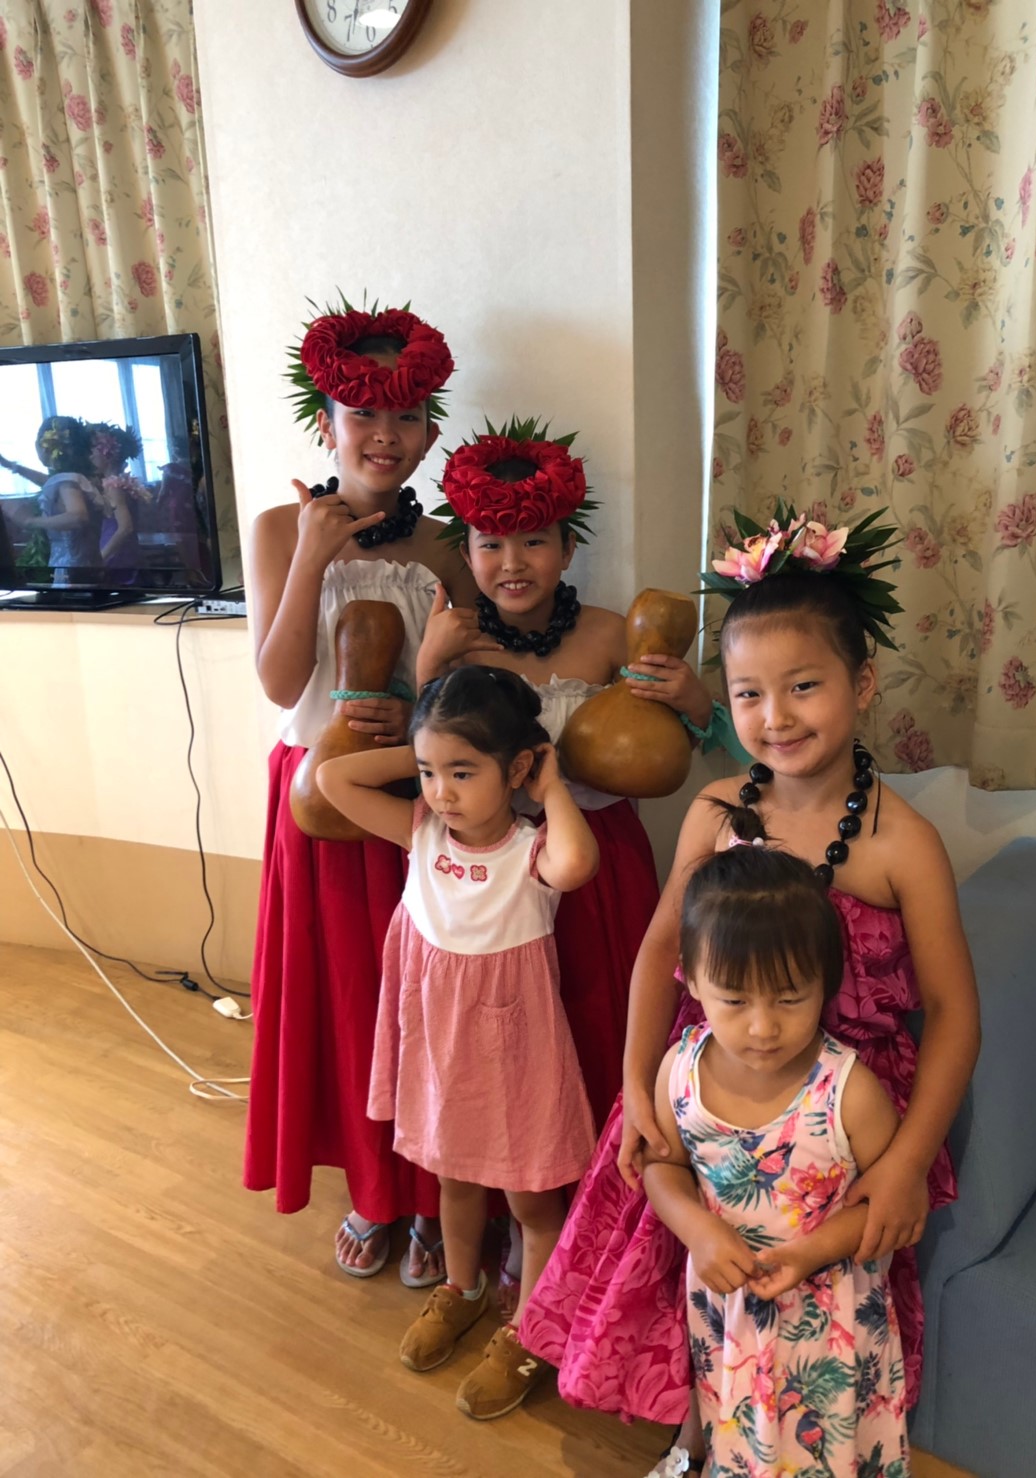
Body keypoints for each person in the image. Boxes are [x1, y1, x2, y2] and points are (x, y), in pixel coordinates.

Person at [519, 503, 980, 1475]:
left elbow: (953, 1014)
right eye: (747, 694)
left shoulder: (902, 843)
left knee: (821, 1308)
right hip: (710, 1089)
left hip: (838, 1121)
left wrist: (904, 1163)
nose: (776, 716)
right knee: (687, 1275)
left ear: (861, 682)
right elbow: (657, 952)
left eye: (804, 685)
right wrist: (635, 1088)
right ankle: (697, 1438)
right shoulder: (715, 808)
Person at [416, 417, 719, 1315]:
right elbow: (422, 748)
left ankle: (590, 1226)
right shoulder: (452, 640)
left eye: (535, 541)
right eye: (490, 543)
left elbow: (702, 744)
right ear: (466, 551)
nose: (512, 562)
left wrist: (695, 698)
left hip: (599, 866)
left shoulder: (611, 634)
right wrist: (425, 666)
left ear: (568, 544)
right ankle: (509, 1217)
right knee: (505, 1054)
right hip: (494, 879)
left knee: (590, 1034)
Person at [244, 298, 473, 1289]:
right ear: (325, 421)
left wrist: (417, 704)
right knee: (347, 1001)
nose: (386, 433)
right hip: (317, 798)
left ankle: (432, 1193)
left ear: (429, 427)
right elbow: (280, 683)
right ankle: (375, 1191)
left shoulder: (449, 545)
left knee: (427, 1002)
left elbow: (474, 686)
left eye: (407, 414)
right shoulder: (275, 528)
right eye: (363, 412)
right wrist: (312, 552)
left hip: (419, 797)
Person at [317, 665, 599, 1420]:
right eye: (428, 772)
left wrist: (551, 785)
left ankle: (531, 1331)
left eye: (462, 772)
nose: (441, 791)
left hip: (517, 1056)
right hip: (440, 1052)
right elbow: (335, 778)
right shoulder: (420, 830)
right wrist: (424, 742)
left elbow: (578, 865)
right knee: (456, 1180)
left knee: (533, 1199)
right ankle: (462, 1286)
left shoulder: (533, 849)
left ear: (516, 767)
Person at [644, 812, 910, 1477]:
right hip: (727, 1314)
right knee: (741, 1437)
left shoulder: (848, 1091)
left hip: (832, 1327)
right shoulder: (679, 1071)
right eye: (735, 1001)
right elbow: (663, 1167)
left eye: (789, 998)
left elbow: (893, 1210)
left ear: (825, 982)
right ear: (691, 980)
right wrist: (697, 1230)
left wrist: (809, 1252)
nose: (763, 1027)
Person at [4, 416, 100, 586]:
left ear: (46, 445)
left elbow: (78, 516)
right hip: (89, 565)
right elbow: (49, 482)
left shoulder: (66, 481)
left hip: (71, 569)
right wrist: (14, 467)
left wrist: (29, 521)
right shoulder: (78, 478)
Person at [87, 421, 146, 578]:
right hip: (124, 552)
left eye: (94, 450)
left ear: (108, 454)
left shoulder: (114, 486)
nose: (90, 456)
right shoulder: (120, 482)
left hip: (116, 556)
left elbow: (125, 527)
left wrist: (101, 558)